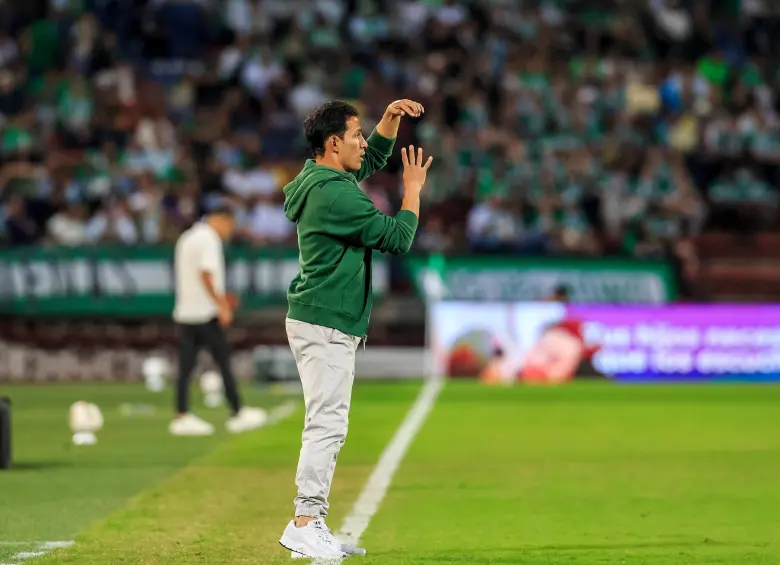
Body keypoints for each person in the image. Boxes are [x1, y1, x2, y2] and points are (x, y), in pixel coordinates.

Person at [278, 99, 433, 558]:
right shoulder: (337, 194)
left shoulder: (321, 179)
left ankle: (311, 520)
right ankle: (305, 520)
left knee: (327, 423)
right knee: (326, 424)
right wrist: (414, 189)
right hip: (325, 320)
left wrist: (389, 120)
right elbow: (398, 238)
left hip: (319, 316)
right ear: (332, 144)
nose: (364, 144)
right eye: (357, 135)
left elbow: (372, 159)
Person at [169, 206, 267, 436]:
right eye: (230, 226)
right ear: (221, 220)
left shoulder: (188, 236)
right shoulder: (209, 240)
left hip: (186, 311)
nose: (229, 232)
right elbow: (206, 273)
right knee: (223, 360)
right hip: (204, 313)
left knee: (186, 367)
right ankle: (237, 412)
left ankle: (181, 415)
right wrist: (221, 304)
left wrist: (221, 298)